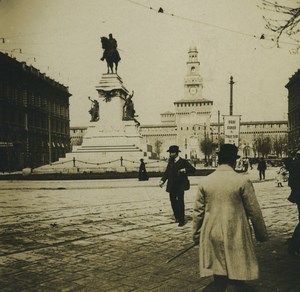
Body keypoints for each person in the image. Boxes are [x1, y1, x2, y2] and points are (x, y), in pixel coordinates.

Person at [193, 144, 268, 291]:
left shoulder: (205, 182)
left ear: (219, 160)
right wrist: (261, 234)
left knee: (219, 270)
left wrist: (196, 234)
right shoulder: (242, 181)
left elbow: (198, 212)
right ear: (233, 161)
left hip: (212, 231)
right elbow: (254, 211)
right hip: (236, 232)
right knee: (237, 270)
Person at [159, 145, 196, 227]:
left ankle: (181, 220)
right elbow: (167, 172)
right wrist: (162, 181)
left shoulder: (183, 161)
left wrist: (185, 170)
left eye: (171, 153)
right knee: (173, 201)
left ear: (175, 153)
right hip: (172, 185)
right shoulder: (170, 162)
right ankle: (177, 217)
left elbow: (193, 170)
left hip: (180, 185)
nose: (170, 154)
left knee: (180, 202)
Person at [287, 150, 300, 255]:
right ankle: (294, 245)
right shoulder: (297, 165)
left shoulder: (294, 165)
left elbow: (290, 183)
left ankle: (294, 245)